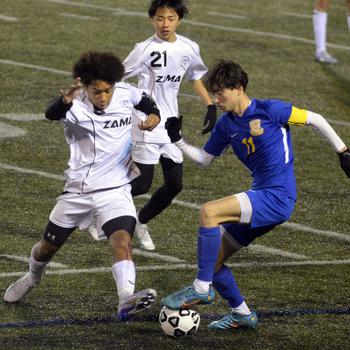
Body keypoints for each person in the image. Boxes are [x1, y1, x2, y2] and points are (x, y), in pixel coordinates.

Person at [162, 60, 350, 330]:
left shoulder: (271, 110)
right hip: (261, 194)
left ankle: (201, 288)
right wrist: (177, 140)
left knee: (209, 211)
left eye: (220, 93)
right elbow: (204, 159)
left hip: (277, 196)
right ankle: (242, 314)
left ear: (238, 88)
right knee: (212, 261)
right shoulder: (226, 125)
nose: (216, 99)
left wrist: (343, 151)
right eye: (213, 93)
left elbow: (315, 119)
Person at [3, 51, 161, 321]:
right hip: (78, 192)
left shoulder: (124, 92)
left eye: (107, 91)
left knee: (123, 242)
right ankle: (32, 277)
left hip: (116, 189)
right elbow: (51, 113)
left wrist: (154, 116)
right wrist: (65, 99)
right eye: (96, 91)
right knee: (46, 248)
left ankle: (125, 299)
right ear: (85, 87)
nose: (103, 97)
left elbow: (147, 102)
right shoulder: (73, 107)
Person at [119, 0, 216, 251]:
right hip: (146, 122)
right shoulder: (144, 49)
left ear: (179, 20)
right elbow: (118, 76)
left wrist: (210, 106)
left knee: (175, 185)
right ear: (152, 19)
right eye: (160, 18)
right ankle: (98, 205)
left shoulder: (189, 47)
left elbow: (196, 77)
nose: (165, 24)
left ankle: (141, 222)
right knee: (142, 184)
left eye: (170, 18)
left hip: (171, 124)